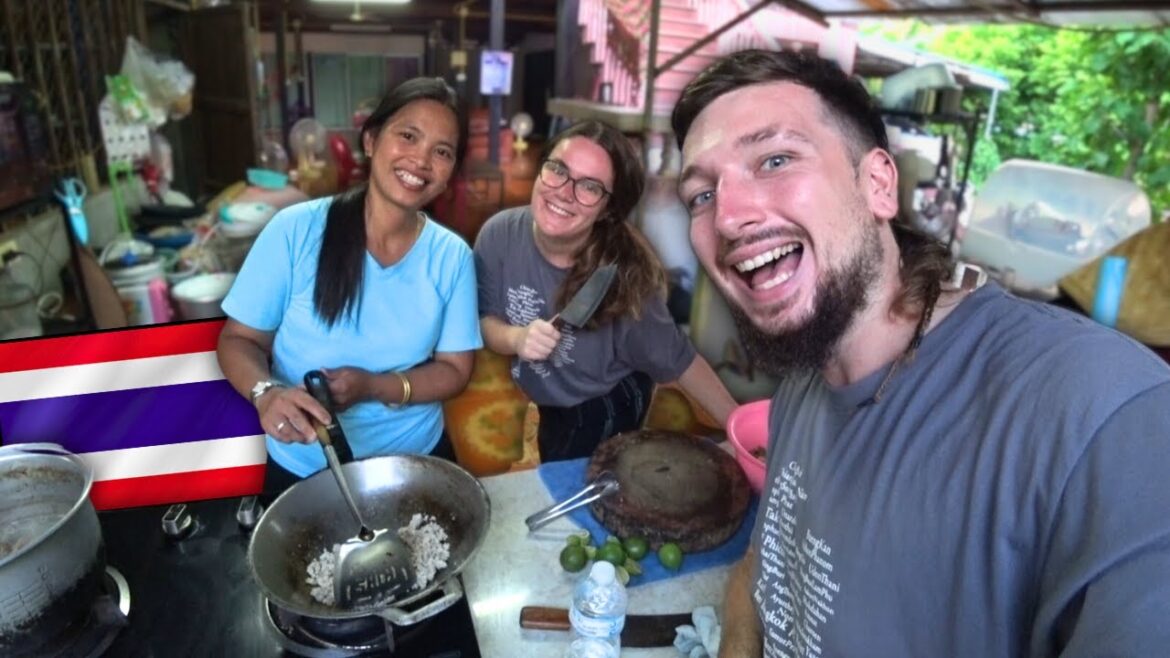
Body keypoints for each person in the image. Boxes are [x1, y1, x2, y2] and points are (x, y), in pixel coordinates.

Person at [671, 49, 1170, 657]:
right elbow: (763, 566)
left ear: (878, 184)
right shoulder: (807, 372)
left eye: (775, 159)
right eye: (700, 195)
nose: (727, 217)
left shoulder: (1106, 417)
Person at [217, 77, 482, 499]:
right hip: (306, 466)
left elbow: (455, 370)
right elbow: (238, 340)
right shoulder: (295, 231)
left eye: (442, 151)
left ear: (450, 173)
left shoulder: (452, 257)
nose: (421, 160)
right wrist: (267, 393)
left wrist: (372, 386)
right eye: (408, 136)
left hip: (415, 462)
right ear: (372, 140)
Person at [474, 119, 737, 462]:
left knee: (581, 490)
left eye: (590, 187)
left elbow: (679, 360)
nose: (564, 192)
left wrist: (740, 430)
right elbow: (487, 319)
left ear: (607, 209)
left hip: (604, 404)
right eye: (558, 169)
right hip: (551, 396)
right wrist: (517, 338)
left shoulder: (624, 282)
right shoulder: (498, 236)